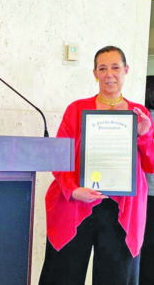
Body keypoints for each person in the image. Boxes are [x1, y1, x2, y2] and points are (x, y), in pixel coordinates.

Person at [39, 46, 154, 285]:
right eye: (102, 68)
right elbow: (59, 157)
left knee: (117, 277)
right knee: (63, 275)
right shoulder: (76, 109)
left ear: (126, 70)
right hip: (78, 203)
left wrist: (143, 134)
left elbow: (150, 164)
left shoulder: (139, 113)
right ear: (95, 73)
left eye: (115, 67)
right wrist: (72, 190)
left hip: (122, 209)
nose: (109, 74)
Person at [139, 76, 154, 285]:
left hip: (145, 194)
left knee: (146, 251)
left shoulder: (143, 118)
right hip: (148, 192)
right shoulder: (145, 120)